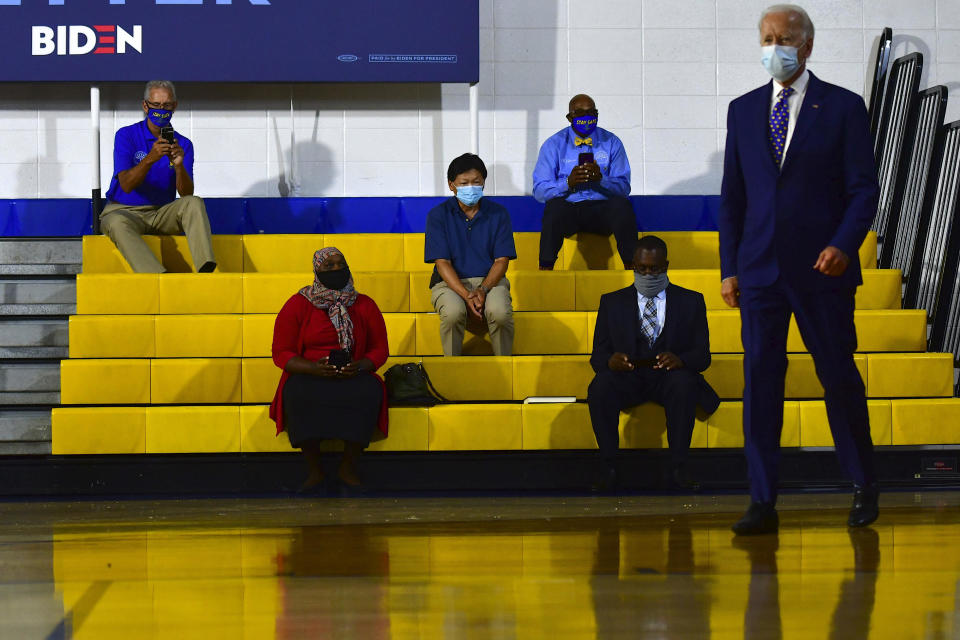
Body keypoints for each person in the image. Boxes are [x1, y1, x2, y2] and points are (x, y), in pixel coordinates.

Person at [719, 4, 881, 534]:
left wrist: (843, 245)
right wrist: (729, 267)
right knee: (761, 384)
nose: (773, 46)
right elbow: (733, 199)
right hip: (759, 270)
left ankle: (863, 485)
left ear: (806, 45)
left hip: (823, 270)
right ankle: (762, 499)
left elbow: (863, 191)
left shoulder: (843, 107)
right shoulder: (742, 110)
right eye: (766, 37)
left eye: (783, 37)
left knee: (838, 378)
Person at [587, 236, 720, 492]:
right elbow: (597, 357)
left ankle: (679, 467)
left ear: (666, 265)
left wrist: (681, 360)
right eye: (642, 268)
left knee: (684, 384)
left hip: (668, 376)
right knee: (600, 387)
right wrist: (610, 360)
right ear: (633, 265)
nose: (648, 274)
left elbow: (703, 356)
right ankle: (608, 467)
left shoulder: (691, 301)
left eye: (655, 268)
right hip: (628, 376)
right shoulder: (611, 302)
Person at [270, 247, 389, 492]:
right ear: (316, 270)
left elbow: (380, 349)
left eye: (340, 264)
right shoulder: (298, 304)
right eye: (328, 265)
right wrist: (312, 368)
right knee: (296, 393)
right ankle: (315, 470)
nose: (336, 269)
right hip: (310, 374)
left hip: (352, 373)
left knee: (368, 391)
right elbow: (281, 352)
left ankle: (348, 467)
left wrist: (359, 367)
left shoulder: (364, 304)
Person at [100, 80, 216, 273]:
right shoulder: (126, 135)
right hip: (125, 211)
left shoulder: (183, 144)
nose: (162, 110)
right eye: (156, 105)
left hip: (161, 213)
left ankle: (206, 269)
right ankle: (157, 276)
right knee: (115, 222)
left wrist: (179, 167)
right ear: (145, 106)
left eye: (167, 105)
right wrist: (149, 159)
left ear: (175, 106)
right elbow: (126, 185)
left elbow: (186, 193)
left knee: (194, 202)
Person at [425, 153, 516, 356]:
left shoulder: (499, 213)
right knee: (453, 313)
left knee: (500, 313)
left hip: (490, 282)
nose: (470, 187)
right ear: (451, 185)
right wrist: (466, 295)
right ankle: (453, 369)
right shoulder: (438, 215)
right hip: (448, 283)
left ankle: (505, 368)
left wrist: (483, 289)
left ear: (484, 183)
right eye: (464, 183)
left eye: (476, 182)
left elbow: (502, 260)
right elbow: (442, 262)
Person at [533, 93, 636, 270]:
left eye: (591, 113)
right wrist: (568, 183)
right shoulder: (553, 145)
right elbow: (539, 191)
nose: (586, 117)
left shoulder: (611, 142)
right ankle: (545, 269)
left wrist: (602, 180)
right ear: (569, 117)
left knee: (623, 206)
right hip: (569, 211)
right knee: (553, 209)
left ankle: (633, 268)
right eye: (579, 113)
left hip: (602, 211)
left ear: (597, 115)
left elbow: (624, 187)